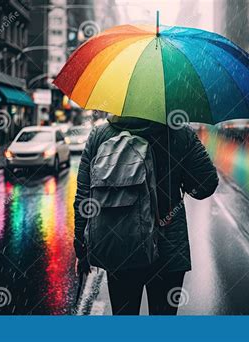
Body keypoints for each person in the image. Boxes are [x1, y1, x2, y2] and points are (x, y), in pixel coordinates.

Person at [74, 115, 219, 315]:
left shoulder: (101, 135)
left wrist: (82, 249)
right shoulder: (180, 133)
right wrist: (183, 182)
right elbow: (207, 184)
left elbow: (84, 197)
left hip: (121, 246)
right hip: (168, 251)